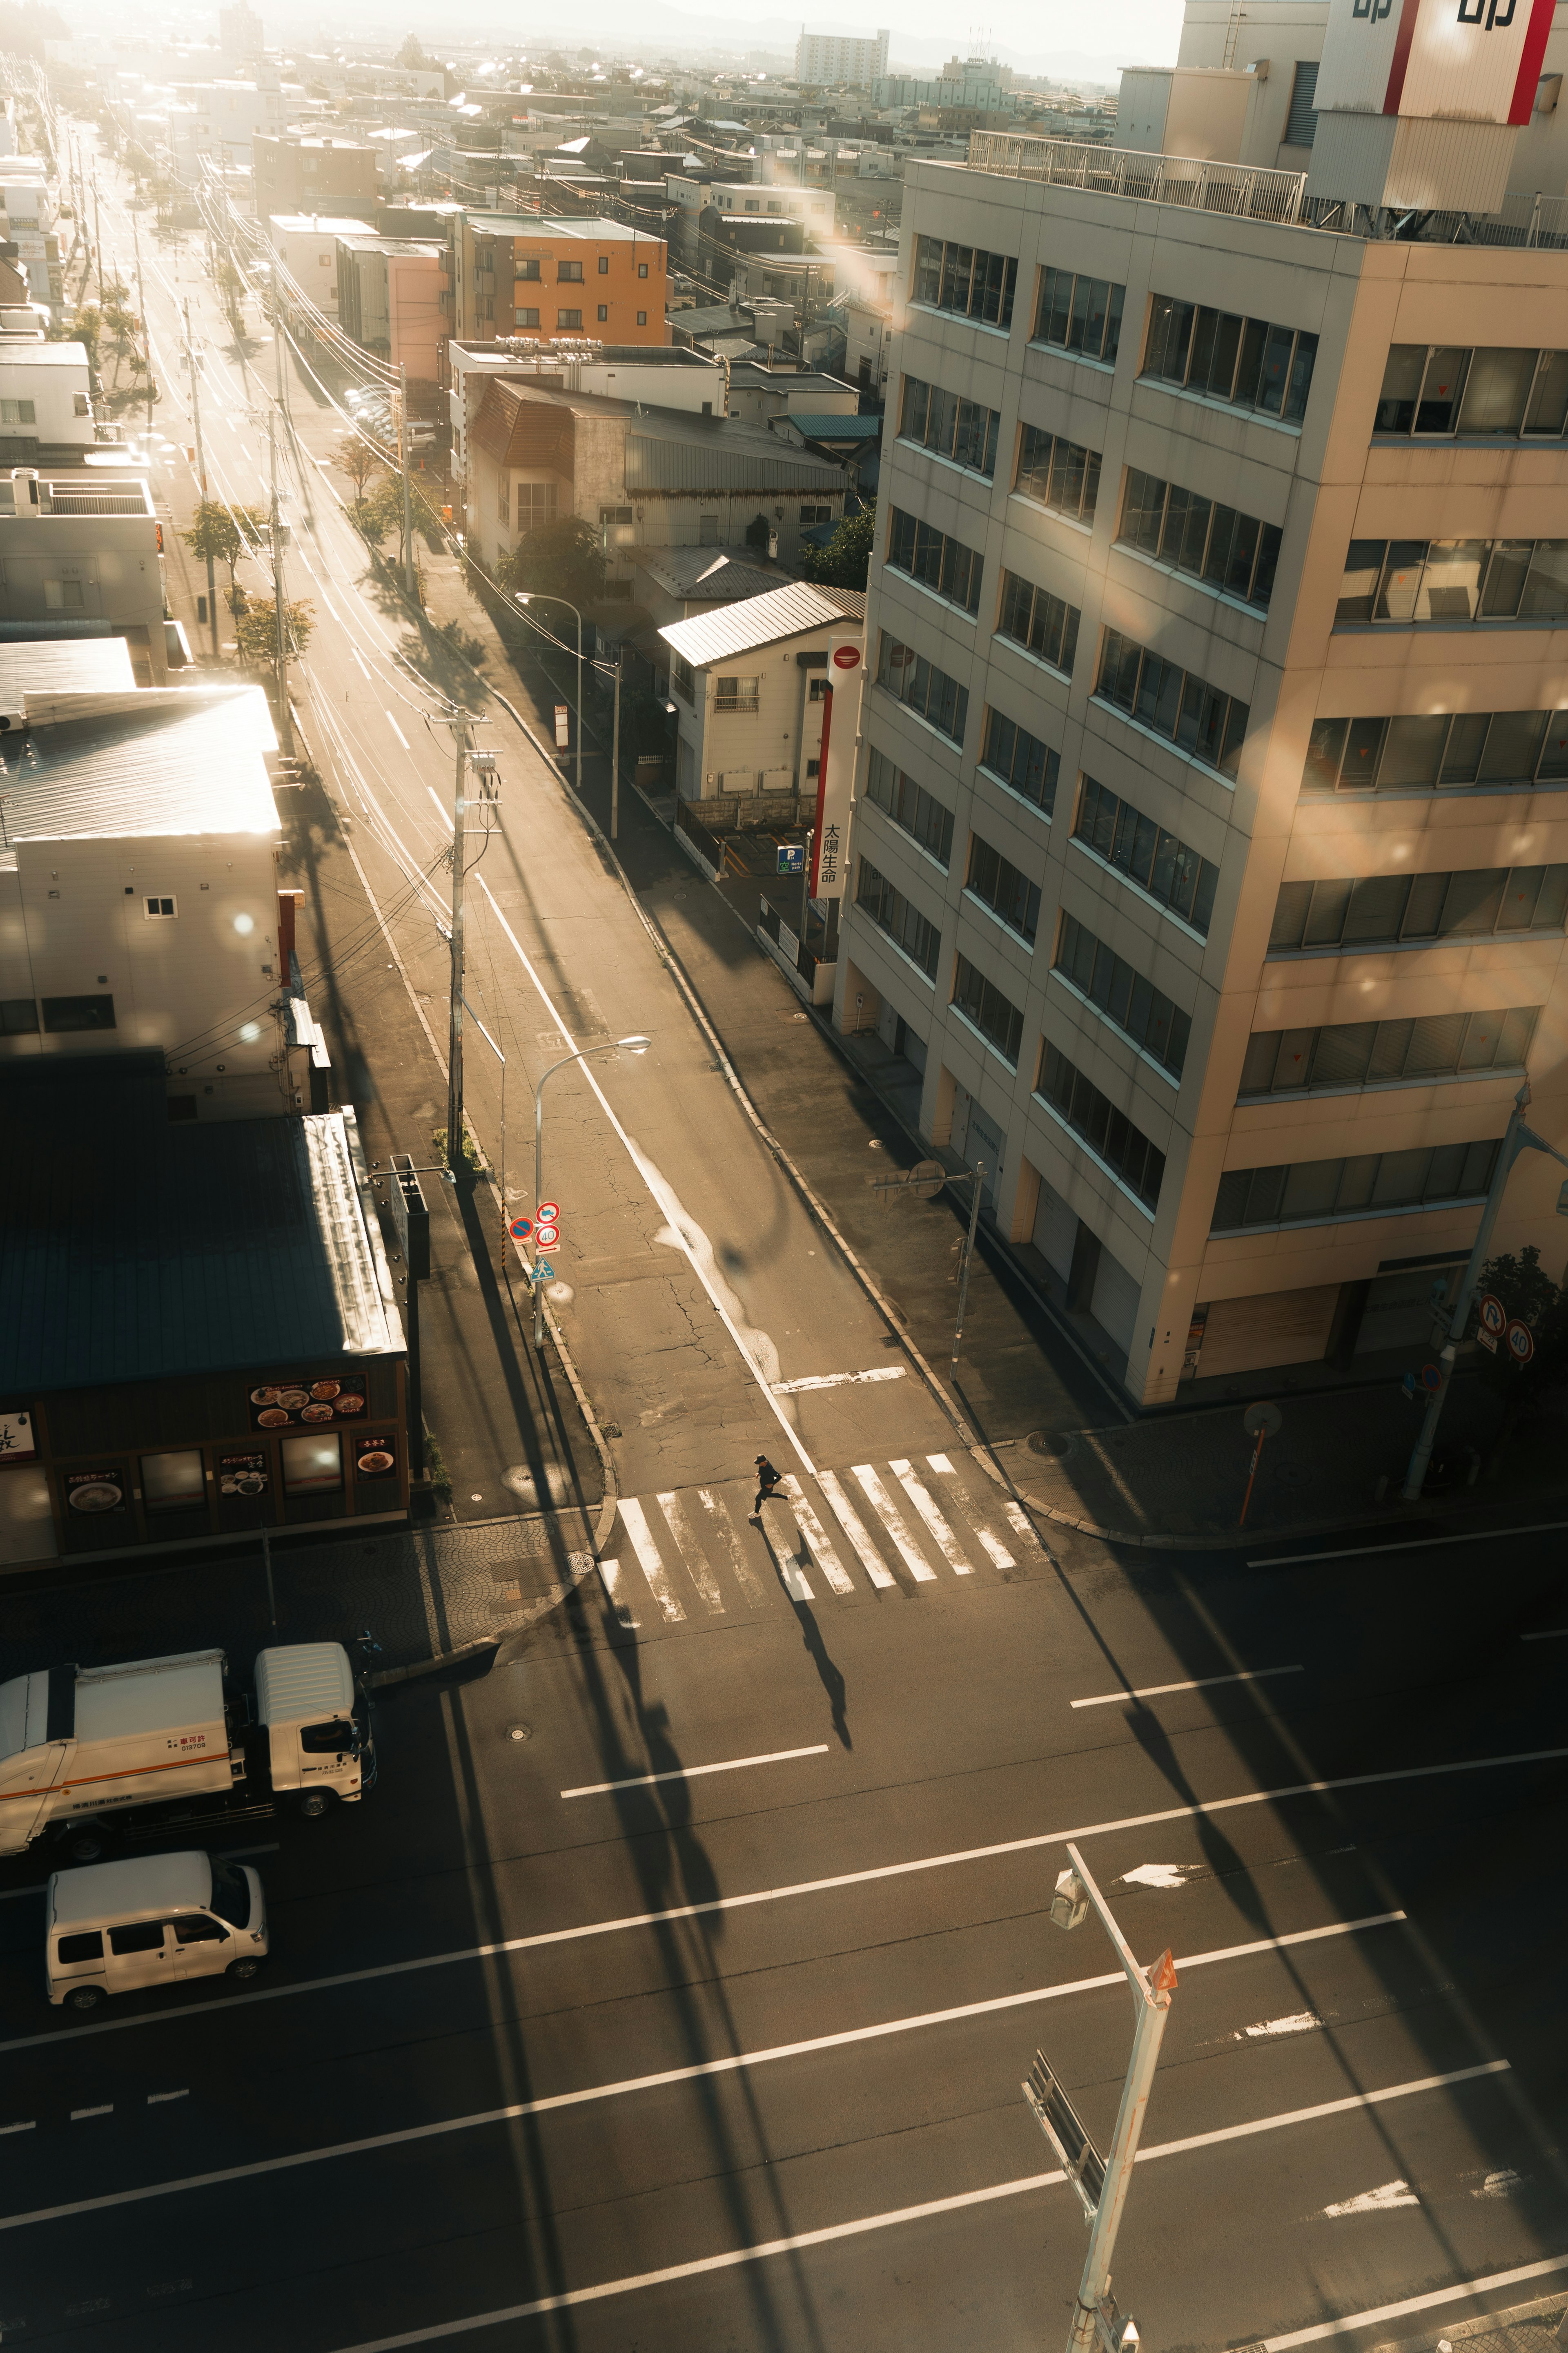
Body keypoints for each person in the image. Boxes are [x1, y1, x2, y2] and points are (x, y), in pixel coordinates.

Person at [751, 1454, 783, 1521]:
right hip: (764, 1485)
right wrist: (759, 1473)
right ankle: (786, 1497)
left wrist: (772, 1484)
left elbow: (779, 1477)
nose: (759, 1465)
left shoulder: (770, 1470)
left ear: (764, 1463)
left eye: (759, 1463)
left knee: (758, 1498)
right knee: (769, 1495)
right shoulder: (763, 1464)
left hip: (767, 1487)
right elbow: (761, 1469)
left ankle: (757, 1513)